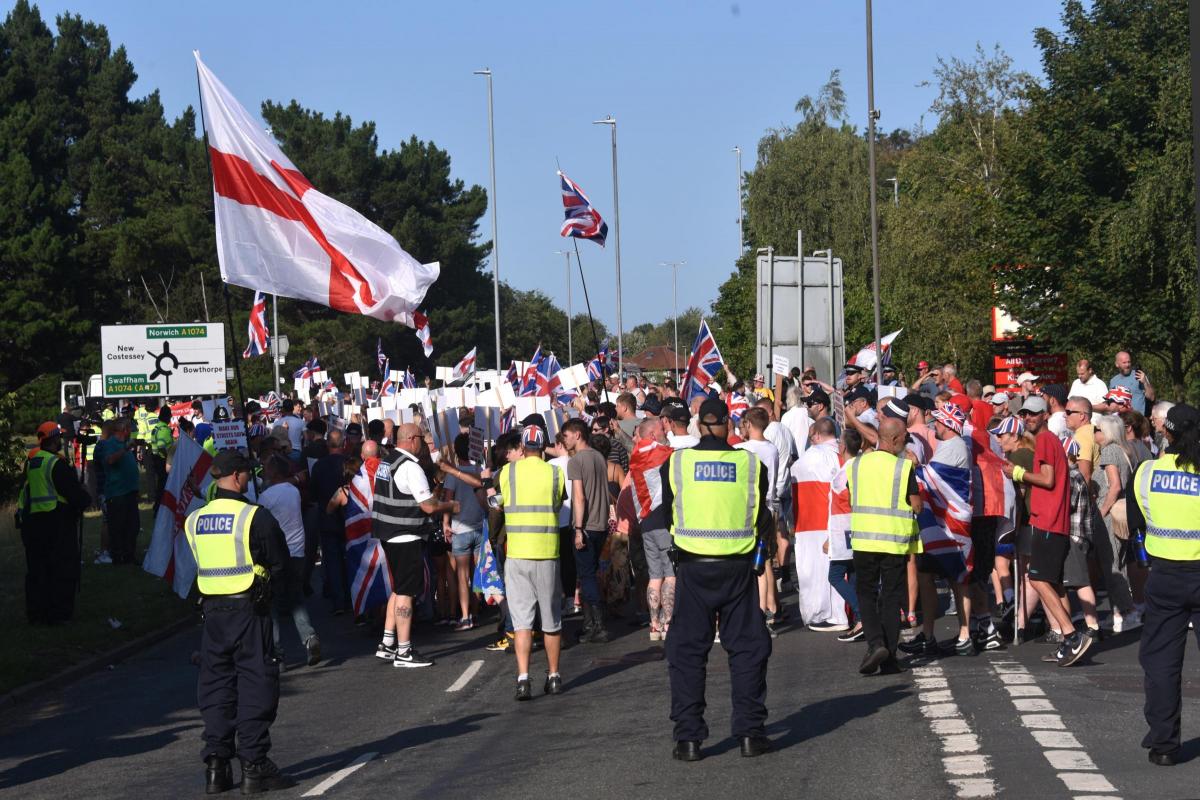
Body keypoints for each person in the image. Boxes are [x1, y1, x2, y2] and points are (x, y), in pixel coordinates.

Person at [660, 398, 773, 761]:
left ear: (697, 425)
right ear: (728, 424)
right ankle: (750, 735)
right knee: (747, 650)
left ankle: (689, 740)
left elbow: (668, 515)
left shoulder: (676, 463)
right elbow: (761, 516)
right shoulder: (751, 464)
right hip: (738, 568)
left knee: (688, 652)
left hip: (692, 568)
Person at [182, 450, 294, 794]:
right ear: (238, 477)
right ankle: (254, 765)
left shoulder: (195, 519)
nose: (251, 479)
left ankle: (216, 767)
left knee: (216, 688)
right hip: (249, 611)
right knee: (256, 683)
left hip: (212, 615)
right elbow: (280, 563)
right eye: (248, 474)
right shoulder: (253, 517)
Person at [1129, 403, 1200, 766]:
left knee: (1161, 662)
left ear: (1165, 432)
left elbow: (1134, 523)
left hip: (1166, 575)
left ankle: (1164, 744)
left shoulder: (1148, 472)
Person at [1002, 395, 1092, 666]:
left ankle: (1072, 635)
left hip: (1048, 522)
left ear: (1045, 415)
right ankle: (1068, 639)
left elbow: (1048, 479)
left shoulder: (1044, 441)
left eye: (1033, 413)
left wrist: (1017, 473)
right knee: (1053, 583)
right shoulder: (1050, 441)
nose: (1028, 417)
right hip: (1052, 521)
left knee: (1039, 580)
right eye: (1025, 414)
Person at [483, 426, 567, 700]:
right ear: (543, 446)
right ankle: (554, 676)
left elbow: (497, 503)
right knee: (551, 621)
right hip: (547, 553)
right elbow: (556, 504)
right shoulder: (555, 473)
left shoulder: (508, 473)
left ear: (522, 446)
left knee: (522, 623)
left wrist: (488, 487)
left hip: (517, 554)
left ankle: (523, 678)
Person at [371, 422, 459, 668]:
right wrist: (451, 506)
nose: (422, 442)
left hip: (388, 532)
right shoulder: (411, 466)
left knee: (400, 588)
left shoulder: (387, 461)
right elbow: (428, 506)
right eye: (421, 437)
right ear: (412, 439)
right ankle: (404, 650)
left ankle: (388, 643)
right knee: (407, 593)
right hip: (406, 532)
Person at [848, 417, 922, 675]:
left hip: (864, 540)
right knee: (891, 597)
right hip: (893, 541)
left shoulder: (856, 464)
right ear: (894, 439)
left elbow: (850, 495)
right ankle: (889, 658)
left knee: (866, 593)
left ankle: (875, 644)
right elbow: (917, 505)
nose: (905, 443)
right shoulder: (903, 468)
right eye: (904, 439)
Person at [17, 423, 90, 624]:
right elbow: (73, 494)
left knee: (38, 571)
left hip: (33, 524)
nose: (61, 441)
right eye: (59, 438)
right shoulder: (56, 464)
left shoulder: (33, 461)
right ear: (54, 439)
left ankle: (37, 613)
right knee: (62, 569)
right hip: (57, 523)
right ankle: (59, 615)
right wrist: (85, 498)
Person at [258, 455, 320, 668]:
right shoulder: (293, 492)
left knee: (272, 605)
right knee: (296, 599)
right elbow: (294, 484)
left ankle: (278, 653)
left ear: (273, 472)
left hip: (276, 554)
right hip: (297, 551)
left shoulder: (266, 497)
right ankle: (309, 637)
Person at [790, 418, 849, 632]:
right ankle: (844, 613)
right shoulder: (843, 455)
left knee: (816, 572)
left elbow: (794, 475)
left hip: (811, 523)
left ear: (815, 435)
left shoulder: (809, 458)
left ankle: (828, 615)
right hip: (841, 520)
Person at [562, 418, 612, 643]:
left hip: (587, 525)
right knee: (589, 572)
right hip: (600, 524)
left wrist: (579, 528)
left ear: (577, 435)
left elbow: (579, 497)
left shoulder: (577, 461)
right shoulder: (599, 457)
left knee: (587, 575)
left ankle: (599, 625)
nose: (564, 440)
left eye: (566, 436)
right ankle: (590, 623)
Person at [736, 407, 782, 636]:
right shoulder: (772, 449)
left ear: (749, 425)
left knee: (749, 561)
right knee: (765, 560)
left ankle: (758, 608)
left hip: (749, 509)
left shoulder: (742, 449)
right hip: (769, 505)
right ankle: (770, 605)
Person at [440, 433, 486, 630]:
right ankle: (475, 613)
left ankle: (465, 616)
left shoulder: (453, 474)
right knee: (477, 575)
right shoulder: (479, 471)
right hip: (478, 527)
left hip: (460, 529)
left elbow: (448, 501)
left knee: (462, 575)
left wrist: (445, 523)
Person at [94, 417, 141, 565]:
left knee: (132, 526)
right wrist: (126, 449)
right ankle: (118, 556)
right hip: (117, 492)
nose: (130, 432)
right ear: (124, 430)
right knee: (118, 526)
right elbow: (109, 460)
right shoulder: (110, 444)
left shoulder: (123, 444)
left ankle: (129, 555)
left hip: (129, 491)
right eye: (129, 428)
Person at [1105, 351, 1155, 416]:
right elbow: (1112, 404)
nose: (1127, 365)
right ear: (1117, 364)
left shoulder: (1139, 376)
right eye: (1124, 363)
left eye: (1129, 362)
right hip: (1121, 421)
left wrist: (1145, 382)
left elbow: (1152, 397)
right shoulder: (1113, 381)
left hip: (1138, 420)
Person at [148, 406, 173, 513]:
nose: (170, 418)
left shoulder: (156, 427)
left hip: (156, 459)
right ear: (167, 417)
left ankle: (158, 507)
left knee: (161, 485)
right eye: (170, 416)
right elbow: (162, 446)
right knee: (163, 486)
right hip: (162, 460)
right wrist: (169, 458)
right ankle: (159, 508)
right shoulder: (163, 429)